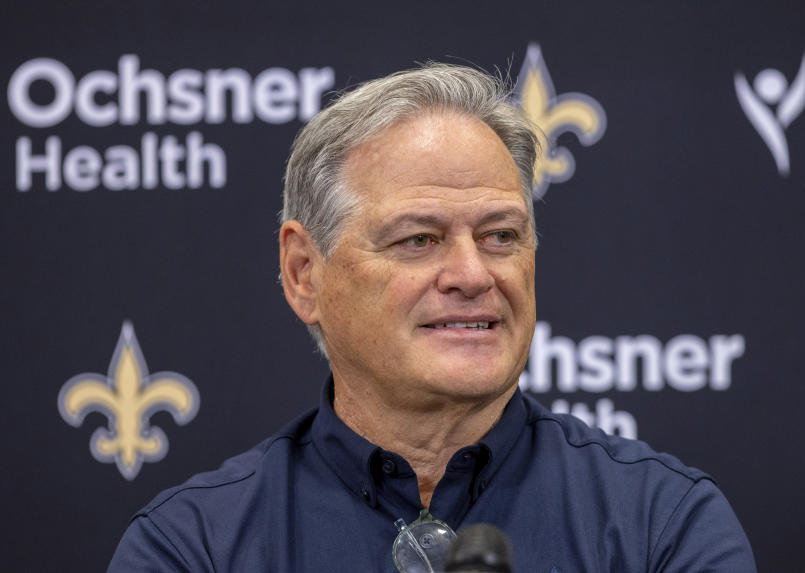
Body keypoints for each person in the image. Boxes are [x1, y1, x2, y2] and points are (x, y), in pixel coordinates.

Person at [108, 63, 756, 572]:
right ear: (305, 272)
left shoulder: (663, 525)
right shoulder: (193, 547)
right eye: (419, 239)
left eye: (501, 235)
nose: (474, 275)